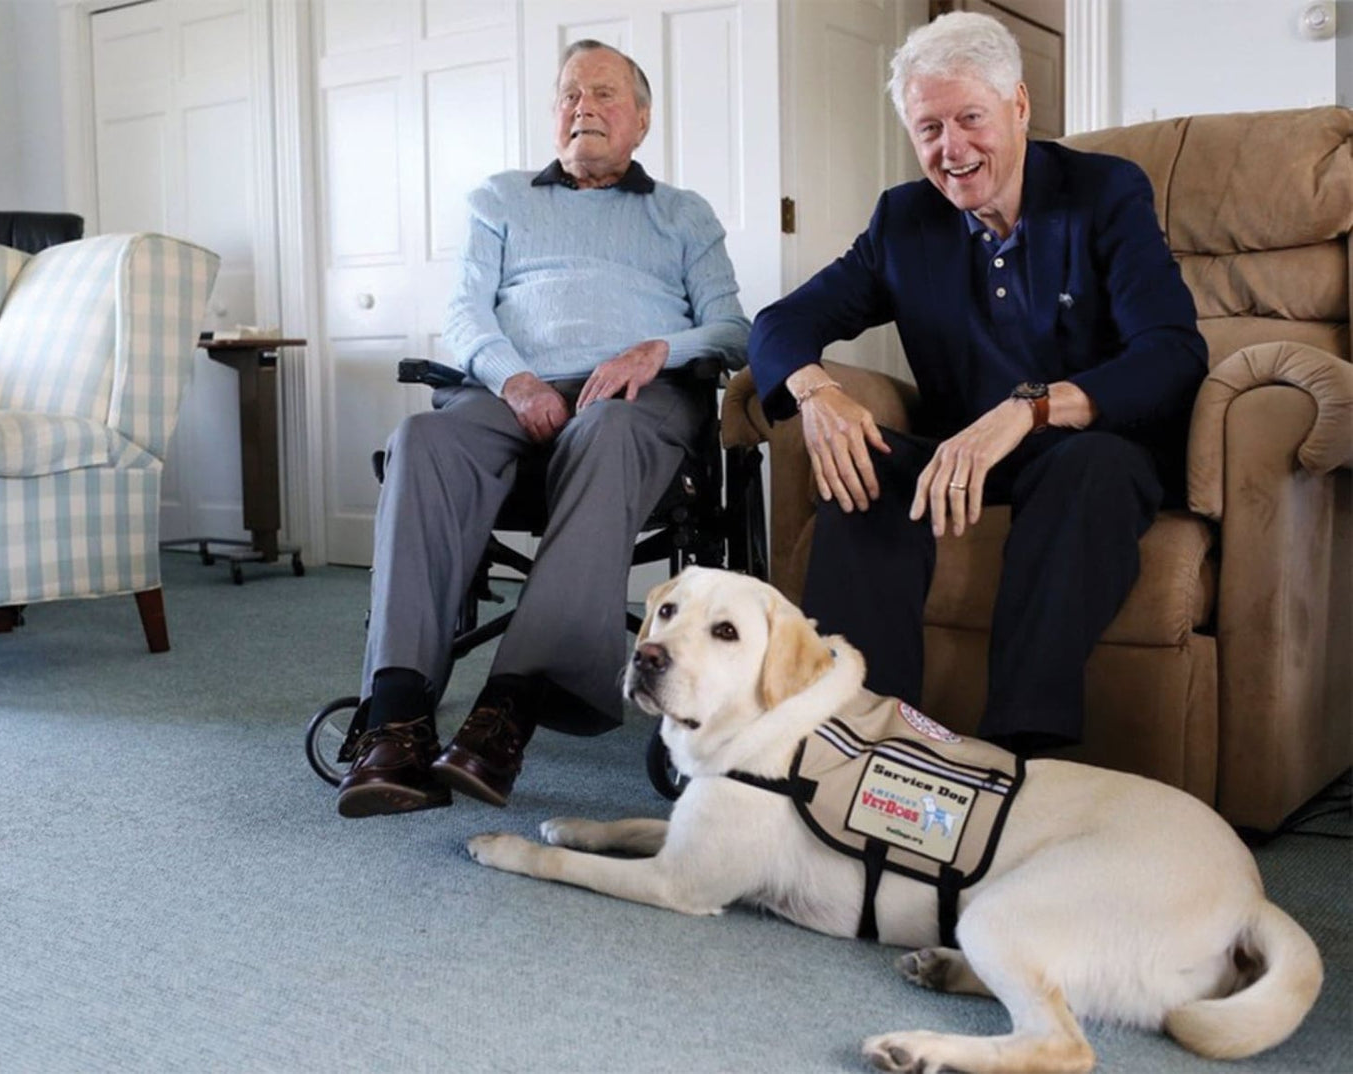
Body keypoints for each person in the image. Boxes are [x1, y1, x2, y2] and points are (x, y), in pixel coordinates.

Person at [747, 12, 1207, 756]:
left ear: (1019, 106)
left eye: (970, 119)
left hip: (1086, 447)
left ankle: (1023, 746)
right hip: (959, 456)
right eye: (929, 128)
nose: (951, 150)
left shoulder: (1104, 192)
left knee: (1092, 467)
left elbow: (1173, 353)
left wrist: (1032, 409)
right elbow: (778, 322)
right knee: (863, 469)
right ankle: (854, 736)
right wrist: (817, 393)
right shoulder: (904, 220)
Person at [337, 40, 750, 817]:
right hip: (513, 394)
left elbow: (733, 329)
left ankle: (508, 710)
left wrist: (660, 349)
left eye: (603, 93)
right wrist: (513, 377)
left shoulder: (683, 214)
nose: (582, 107)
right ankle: (395, 717)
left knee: (610, 431)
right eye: (568, 95)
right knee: (420, 442)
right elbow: (464, 311)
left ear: (642, 119)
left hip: (636, 401)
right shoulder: (500, 198)